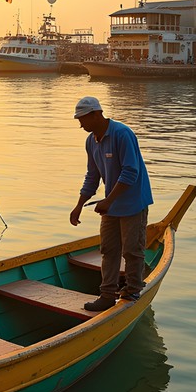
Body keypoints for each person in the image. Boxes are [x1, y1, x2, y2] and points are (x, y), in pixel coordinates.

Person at [69, 96, 153, 312]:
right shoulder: (91, 141)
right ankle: (107, 294)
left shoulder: (121, 134)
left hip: (133, 202)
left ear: (97, 114)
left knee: (132, 250)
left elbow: (130, 172)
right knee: (108, 249)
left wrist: (108, 200)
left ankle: (133, 290)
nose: (81, 125)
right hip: (111, 204)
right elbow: (92, 176)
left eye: (84, 119)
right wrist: (79, 204)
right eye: (78, 120)